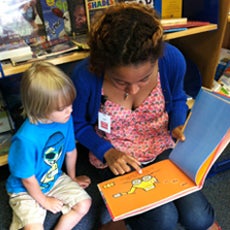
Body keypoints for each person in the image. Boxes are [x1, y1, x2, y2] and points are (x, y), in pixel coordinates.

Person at [71, 2, 221, 230]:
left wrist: (178, 124)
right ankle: (118, 218)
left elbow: (178, 99)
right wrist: (106, 151)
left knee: (198, 218)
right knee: (163, 219)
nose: (133, 90)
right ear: (104, 65)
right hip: (117, 156)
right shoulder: (85, 76)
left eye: (144, 79)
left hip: (161, 145)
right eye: (120, 81)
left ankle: (121, 217)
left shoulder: (172, 60)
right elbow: (78, 124)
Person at [6, 61, 92, 230]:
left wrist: (73, 178)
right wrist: (45, 201)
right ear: (39, 108)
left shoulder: (64, 119)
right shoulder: (25, 139)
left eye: (70, 104)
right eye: (62, 108)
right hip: (24, 189)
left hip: (53, 178)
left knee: (84, 204)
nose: (70, 111)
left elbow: (71, 151)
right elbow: (27, 180)